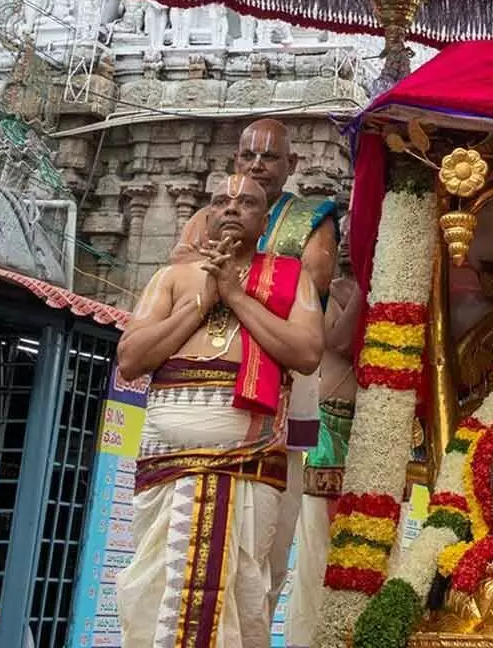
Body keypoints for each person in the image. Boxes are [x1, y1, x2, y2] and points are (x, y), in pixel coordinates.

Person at [116, 175, 324, 647]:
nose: (232, 208)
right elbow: (131, 359)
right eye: (220, 202)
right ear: (207, 214)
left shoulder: (292, 278)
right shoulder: (171, 278)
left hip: (247, 468)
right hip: (165, 470)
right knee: (153, 589)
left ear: (266, 220)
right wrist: (203, 302)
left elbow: (307, 353)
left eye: (247, 202)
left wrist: (235, 296)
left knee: (241, 588)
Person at [171, 118, 338, 611]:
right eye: (248, 155)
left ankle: (252, 617)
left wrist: (237, 281)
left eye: (269, 157)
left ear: (292, 165)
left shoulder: (314, 215)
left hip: (285, 379)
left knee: (268, 527)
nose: (257, 165)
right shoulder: (211, 211)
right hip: (202, 383)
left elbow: (313, 276)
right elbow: (179, 263)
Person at [284, 217, 361, 645]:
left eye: (357, 239)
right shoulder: (327, 290)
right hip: (328, 423)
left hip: (366, 425)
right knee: (316, 545)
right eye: (342, 240)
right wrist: (368, 292)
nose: (347, 248)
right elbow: (338, 341)